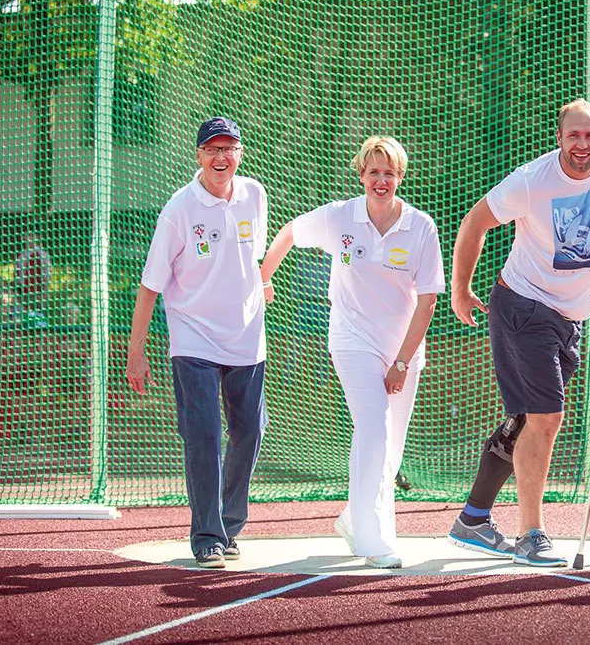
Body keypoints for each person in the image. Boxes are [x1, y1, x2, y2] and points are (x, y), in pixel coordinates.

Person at [447, 98, 590, 566]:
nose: (582, 143)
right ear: (559, 138)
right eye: (574, 135)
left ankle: (472, 519)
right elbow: (475, 223)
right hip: (522, 306)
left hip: (570, 317)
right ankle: (531, 534)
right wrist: (460, 289)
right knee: (546, 419)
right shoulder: (532, 181)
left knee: (526, 420)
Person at [259, 136, 444, 569]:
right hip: (352, 340)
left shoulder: (421, 227)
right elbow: (289, 233)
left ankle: (351, 518)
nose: (382, 180)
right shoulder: (339, 217)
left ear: (401, 177)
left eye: (390, 173)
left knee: (391, 450)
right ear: (361, 174)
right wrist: (264, 277)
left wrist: (401, 361)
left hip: (403, 350)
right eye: (374, 172)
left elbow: (428, 301)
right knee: (373, 431)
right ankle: (372, 539)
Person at [125, 117, 269, 569]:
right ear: (198, 156)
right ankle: (206, 534)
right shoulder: (179, 209)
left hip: (247, 338)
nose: (221, 157)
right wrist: (137, 351)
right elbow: (151, 285)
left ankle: (229, 523)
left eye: (229, 148)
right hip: (194, 338)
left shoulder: (255, 195)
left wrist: (258, 286)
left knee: (251, 431)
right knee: (204, 434)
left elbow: (252, 258)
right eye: (212, 149)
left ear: (240, 154)